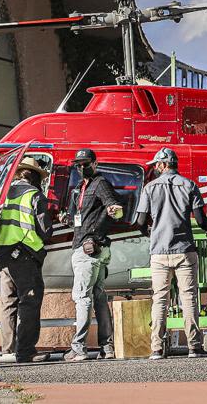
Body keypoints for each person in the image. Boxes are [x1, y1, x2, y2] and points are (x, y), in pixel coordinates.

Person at [133, 148, 207, 360]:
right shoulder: (189, 185)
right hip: (185, 250)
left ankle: (156, 348)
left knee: (160, 299)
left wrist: (151, 233)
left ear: (162, 165)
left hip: (159, 252)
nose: (155, 168)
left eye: (156, 165)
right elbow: (201, 220)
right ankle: (194, 347)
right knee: (189, 298)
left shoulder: (150, 188)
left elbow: (139, 222)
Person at [63, 148, 124, 361]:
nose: (81, 167)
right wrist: (69, 221)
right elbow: (86, 216)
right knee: (98, 297)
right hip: (92, 248)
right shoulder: (82, 187)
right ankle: (107, 347)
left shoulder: (100, 183)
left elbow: (114, 209)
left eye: (85, 163)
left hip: (88, 249)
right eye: (78, 164)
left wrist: (94, 237)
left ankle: (79, 348)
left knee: (82, 298)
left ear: (95, 164)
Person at [0, 157, 54, 363]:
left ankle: (8, 351)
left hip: (3, 255)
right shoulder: (34, 195)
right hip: (26, 253)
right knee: (29, 302)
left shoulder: (2, 195)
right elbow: (45, 230)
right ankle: (26, 351)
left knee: (8, 303)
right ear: (34, 175)